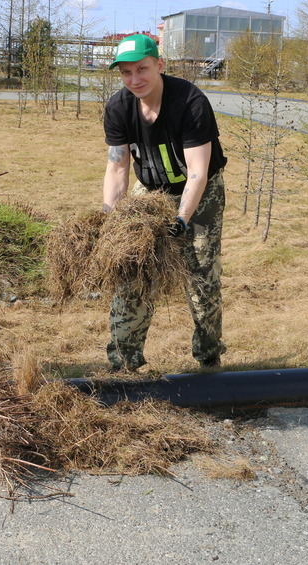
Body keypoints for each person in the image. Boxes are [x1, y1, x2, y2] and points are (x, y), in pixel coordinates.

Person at [101, 33, 228, 372]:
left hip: (200, 195)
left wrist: (182, 219)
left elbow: (198, 174)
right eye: (126, 73)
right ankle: (123, 362)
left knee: (201, 275)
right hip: (152, 192)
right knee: (133, 271)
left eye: (141, 69)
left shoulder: (189, 102)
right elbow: (117, 169)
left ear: (159, 65)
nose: (134, 80)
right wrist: (110, 221)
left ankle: (208, 357)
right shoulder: (118, 107)